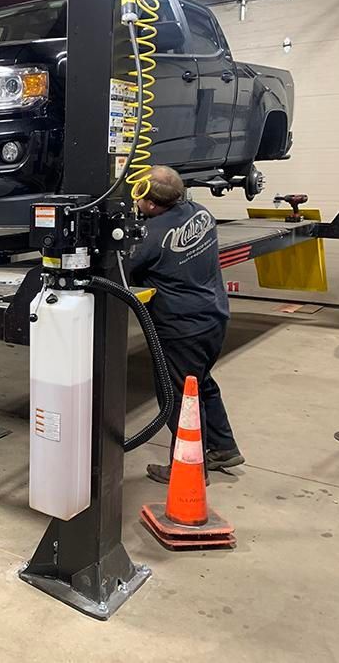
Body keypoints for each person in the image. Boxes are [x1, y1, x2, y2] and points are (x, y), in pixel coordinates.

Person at [128, 166, 244, 483]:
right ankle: (223, 448)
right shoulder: (201, 213)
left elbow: (126, 269)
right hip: (215, 315)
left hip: (182, 325)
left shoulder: (150, 237)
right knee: (201, 383)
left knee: (178, 397)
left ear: (150, 204)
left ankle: (190, 469)